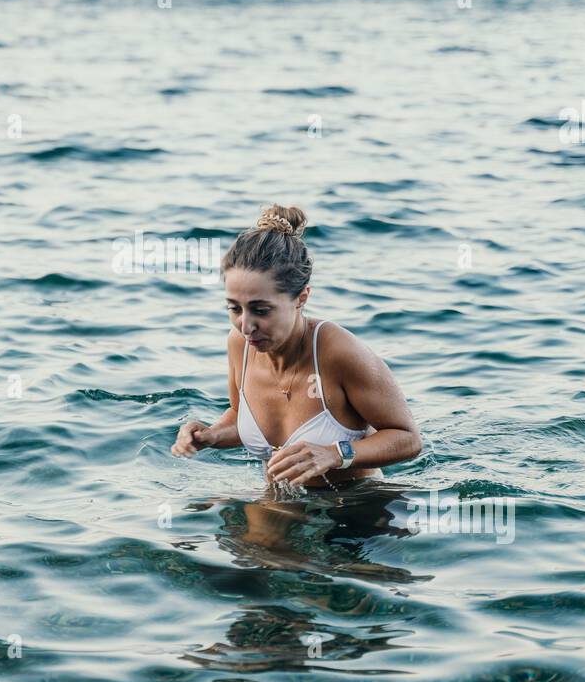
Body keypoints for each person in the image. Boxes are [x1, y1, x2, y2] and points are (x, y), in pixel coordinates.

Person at [171, 203, 422, 489]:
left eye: (261, 310)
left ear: (301, 298)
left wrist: (335, 453)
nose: (246, 325)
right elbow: (243, 417)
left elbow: (408, 438)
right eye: (234, 308)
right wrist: (212, 435)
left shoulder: (338, 351)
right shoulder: (239, 345)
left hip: (358, 508)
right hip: (282, 502)